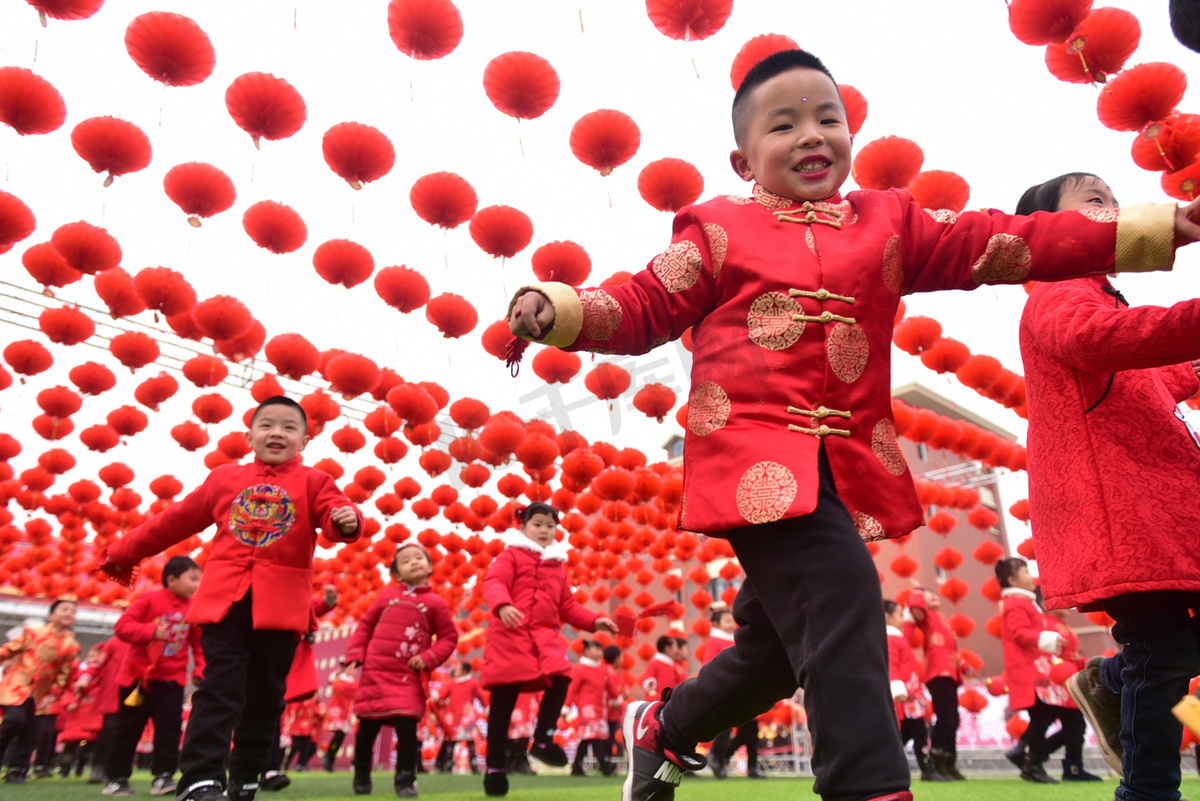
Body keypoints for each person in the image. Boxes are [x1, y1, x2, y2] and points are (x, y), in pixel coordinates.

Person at [506, 48, 1200, 801]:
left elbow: (1007, 240)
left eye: (826, 118)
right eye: (784, 124)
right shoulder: (714, 230)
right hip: (755, 462)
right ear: (743, 160)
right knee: (843, 598)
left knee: (774, 654)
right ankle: (869, 787)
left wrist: (1152, 228)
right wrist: (565, 309)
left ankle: (665, 728)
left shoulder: (890, 221)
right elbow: (644, 302)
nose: (811, 134)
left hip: (845, 462)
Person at [1016, 171, 1200, 801]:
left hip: (1158, 509)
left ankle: (1112, 678)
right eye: (1093, 200)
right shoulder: (1056, 292)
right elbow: (1097, 342)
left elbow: (1160, 374)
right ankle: (1149, 790)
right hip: (1120, 515)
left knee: (1167, 650)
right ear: (1050, 233)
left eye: (1113, 199)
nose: (1113, 209)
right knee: (1164, 650)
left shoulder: (1102, 296)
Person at [100, 396, 363, 801]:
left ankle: (244, 780)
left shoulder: (315, 481)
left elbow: (335, 511)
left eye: (289, 427)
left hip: (281, 611)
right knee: (220, 690)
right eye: (267, 425)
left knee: (264, 701)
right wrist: (122, 552)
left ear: (304, 441)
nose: (277, 433)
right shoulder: (223, 478)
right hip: (225, 606)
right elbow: (174, 520)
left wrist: (346, 519)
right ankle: (200, 781)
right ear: (249, 436)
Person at [479, 502, 617, 797]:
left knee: (562, 677)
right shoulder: (510, 555)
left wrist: (596, 621)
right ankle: (494, 769)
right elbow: (494, 581)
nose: (544, 530)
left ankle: (542, 740)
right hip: (510, 634)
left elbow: (567, 606)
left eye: (550, 525)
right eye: (538, 524)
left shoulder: (557, 565)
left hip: (543, 637)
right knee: (503, 702)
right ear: (523, 526)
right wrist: (502, 605)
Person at [343, 543, 457, 798]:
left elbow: (449, 637)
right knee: (367, 725)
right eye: (406, 560)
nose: (414, 562)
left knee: (407, 727)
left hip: (408, 675)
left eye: (419, 558)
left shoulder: (436, 603)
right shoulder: (386, 596)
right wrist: (355, 655)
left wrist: (429, 657)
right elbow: (365, 626)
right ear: (397, 574)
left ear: (429, 567)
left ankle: (406, 778)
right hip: (376, 671)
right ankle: (361, 771)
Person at [102, 555, 205, 798]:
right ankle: (116, 778)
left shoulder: (195, 608)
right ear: (171, 579)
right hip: (137, 681)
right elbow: (122, 627)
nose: (196, 585)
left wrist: (200, 671)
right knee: (128, 729)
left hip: (172, 681)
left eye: (198, 580)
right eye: (192, 579)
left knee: (169, 730)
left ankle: (164, 776)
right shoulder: (149, 598)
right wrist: (150, 631)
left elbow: (199, 645)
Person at [994, 558, 1068, 783]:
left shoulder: (1023, 602)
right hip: (1030, 670)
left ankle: (1024, 753)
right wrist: (1047, 638)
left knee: (1044, 714)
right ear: (1012, 579)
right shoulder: (1016, 603)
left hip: (1037, 668)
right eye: (1026, 571)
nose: (1031, 575)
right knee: (1043, 714)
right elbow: (1019, 632)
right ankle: (1032, 763)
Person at [0, 598, 80, 784]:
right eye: (64, 609)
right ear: (51, 615)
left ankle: (18, 769)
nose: (69, 613)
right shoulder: (33, 632)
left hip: (42, 693)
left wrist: (53, 695)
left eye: (72, 611)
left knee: (32, 731)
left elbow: (64, 673)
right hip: (18, 685)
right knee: (14, 720)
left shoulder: (72, 645)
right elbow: (10, 649)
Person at [1037, 591, 1101, 782]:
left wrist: (1090, 664)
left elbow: (1073, 657)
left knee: (1073, 726)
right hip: (1057, 683)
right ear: (1045, 603)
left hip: (1069, 681)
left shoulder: (1063, 625)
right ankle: (1071, 767)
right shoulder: (1045, 624)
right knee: (1074, 725)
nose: (1067, 605)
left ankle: (1038, 757)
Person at [905, 585, 964, 779]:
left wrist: (963, 665)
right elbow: (915, 604)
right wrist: (916, 591)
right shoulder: (927, 617)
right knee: (946, 716)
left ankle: (949, 760)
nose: (933, 596)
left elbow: (951, 649)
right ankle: (937, 759)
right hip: (938, 672)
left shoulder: (944, 619)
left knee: (953, 719)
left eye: (933, 593)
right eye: (927, 595)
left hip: (951, 673)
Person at [701, 607, 762, 780]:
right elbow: (708, 664)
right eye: (727, 621)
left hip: (744, 690)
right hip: (726, 690)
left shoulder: (737, 640)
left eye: (731, 621)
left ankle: (728, 760)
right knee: (726, 729)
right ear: (716, 624)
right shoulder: (714, 642)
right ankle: (718, 759)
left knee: (749, 732)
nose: (730, 624)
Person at [884, 601, 941, 782]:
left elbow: (908, 629)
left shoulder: (897, 637)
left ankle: (887, 764)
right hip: (906, 698)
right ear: (887, 617)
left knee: (905, 735)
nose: (903, 619)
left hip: (911, 696)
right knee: (919, 734)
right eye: (899, 615)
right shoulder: (891, 639)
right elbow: (891, 665)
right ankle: (927, 768)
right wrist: (897, 685)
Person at [565, 640, 618, 777]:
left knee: (589, 737)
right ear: (586, 651)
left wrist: (618, 700)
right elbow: (572, 689)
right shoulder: (579, 669)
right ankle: (604, 765)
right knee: (594, 736)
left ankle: (576, 766)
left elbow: (611, 686)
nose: (598, 652)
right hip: (587, 708)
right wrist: (566, 706)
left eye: (600, 650)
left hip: (601, 708)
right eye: (595, 649)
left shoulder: (603, 669)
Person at [431, 663, 485, 774]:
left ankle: (473, 764)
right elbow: (442, 694)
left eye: (458, 670)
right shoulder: (452, 683)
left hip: (466, 717)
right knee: (450, 741)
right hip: (453, 716)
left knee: (470, 741)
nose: (455, 671)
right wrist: (435, 695)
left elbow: (481, 696)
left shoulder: (473, 683)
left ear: (465, 671)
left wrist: (487, 706)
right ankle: (447, 764)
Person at [321, 666, 358, 772]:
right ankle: (328, 756)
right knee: (339, 734)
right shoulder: (339, 679)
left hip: (347, 714)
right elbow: (331, 680)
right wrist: (338, 673)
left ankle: (330, 759)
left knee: (340, 737)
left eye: (355, 669)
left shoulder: (355, 682)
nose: (353, 671)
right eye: (351, 668)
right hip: (336, 712)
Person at [601, 645, 629, 764]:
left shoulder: (618, 673)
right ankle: (609, 762)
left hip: (616, 713)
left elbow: (624, 687)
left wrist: (626, 692)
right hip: (608, 712)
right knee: (609, 739)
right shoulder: (606, 671)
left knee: (614, 738)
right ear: (616, 658)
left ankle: (613, 763)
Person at [639, 637, 681, 702]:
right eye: (675, 647)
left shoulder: (673, 665)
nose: (677, 651)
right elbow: (648, 684)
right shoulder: (654, 663)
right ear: (667, 649)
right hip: (658, 703)